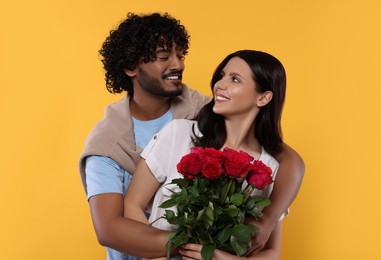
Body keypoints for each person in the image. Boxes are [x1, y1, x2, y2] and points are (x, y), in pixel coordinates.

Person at [79, 12, 304, 259]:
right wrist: (199, 247)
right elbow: (110, 229)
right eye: (164, 57)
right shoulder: (109, 143)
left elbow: (284, 158)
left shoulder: (208, 111)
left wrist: (268, 220)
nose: (178, 65)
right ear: (131, 67)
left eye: (180, 55)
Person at [124, 49, 298, 259]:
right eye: (222, 76)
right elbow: (132, 205)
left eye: (235, 79)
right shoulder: (178, 133)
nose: (220, 85)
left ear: (263, 97)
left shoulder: (270, 169)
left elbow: (271, 252)